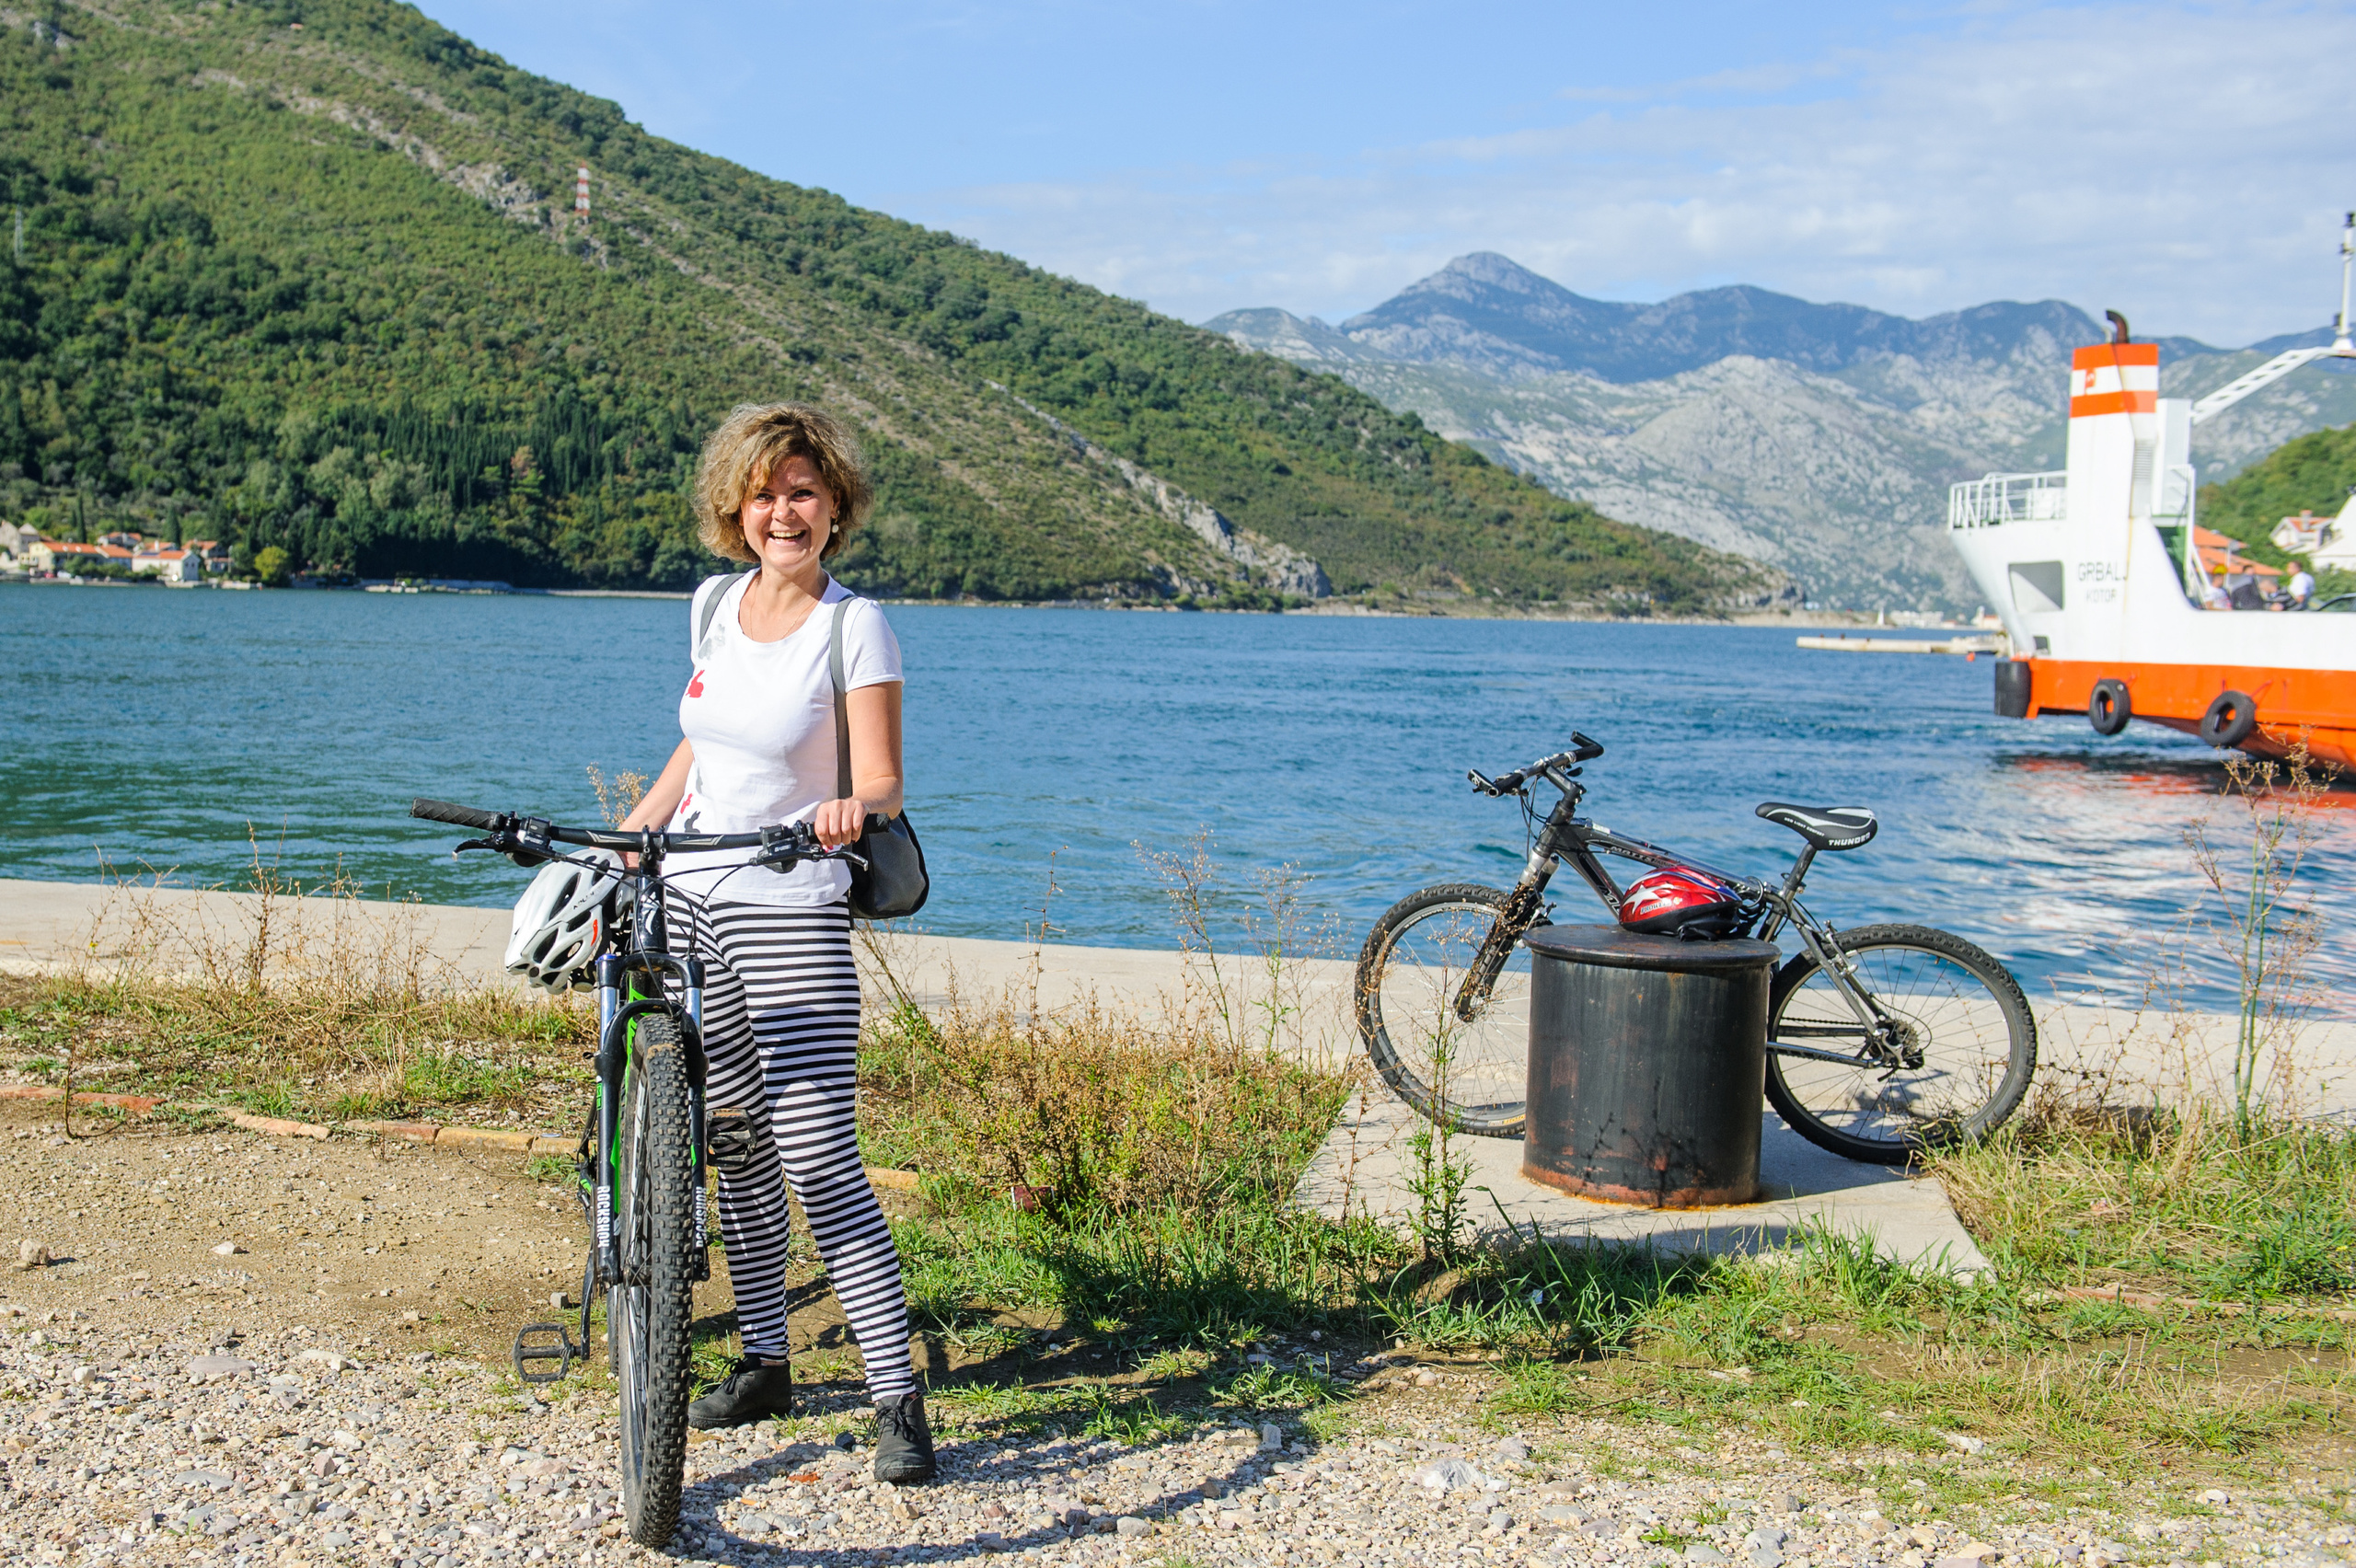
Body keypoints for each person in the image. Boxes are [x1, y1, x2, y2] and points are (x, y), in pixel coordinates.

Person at [614, 403, 932, 1483]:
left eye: (801, 492)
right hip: (694, 900)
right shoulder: (713, 604)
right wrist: (641, 828)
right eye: (763, 494)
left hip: (791, 907)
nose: (780, 512)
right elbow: (700, 748)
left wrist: (849, 808)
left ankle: (897, 1396)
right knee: (736, 1144)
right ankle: (763, 1359)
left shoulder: (855, 625)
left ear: (834, 506)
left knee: (817, 1154)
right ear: (735, 509)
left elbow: (883, 779)